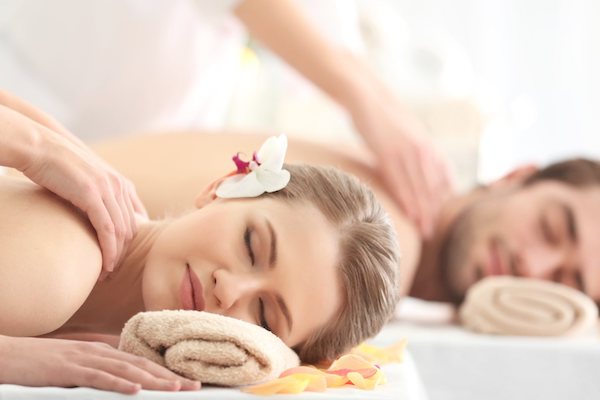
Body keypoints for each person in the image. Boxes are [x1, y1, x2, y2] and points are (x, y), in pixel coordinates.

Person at [0, 0, 454, 240]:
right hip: (37, 98)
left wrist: (384, 107)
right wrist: (366, 102)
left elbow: (331, 34)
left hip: (133, 141)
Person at [0, 134, 400, 394]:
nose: (229, 290)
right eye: (250, 245)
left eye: (263, 316)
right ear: (223, 187)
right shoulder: (59, 270)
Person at [90, 133, 600, 307]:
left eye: (566, 281)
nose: (531, 264)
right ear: (516, 176)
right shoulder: (383, 232)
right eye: (552, 228)